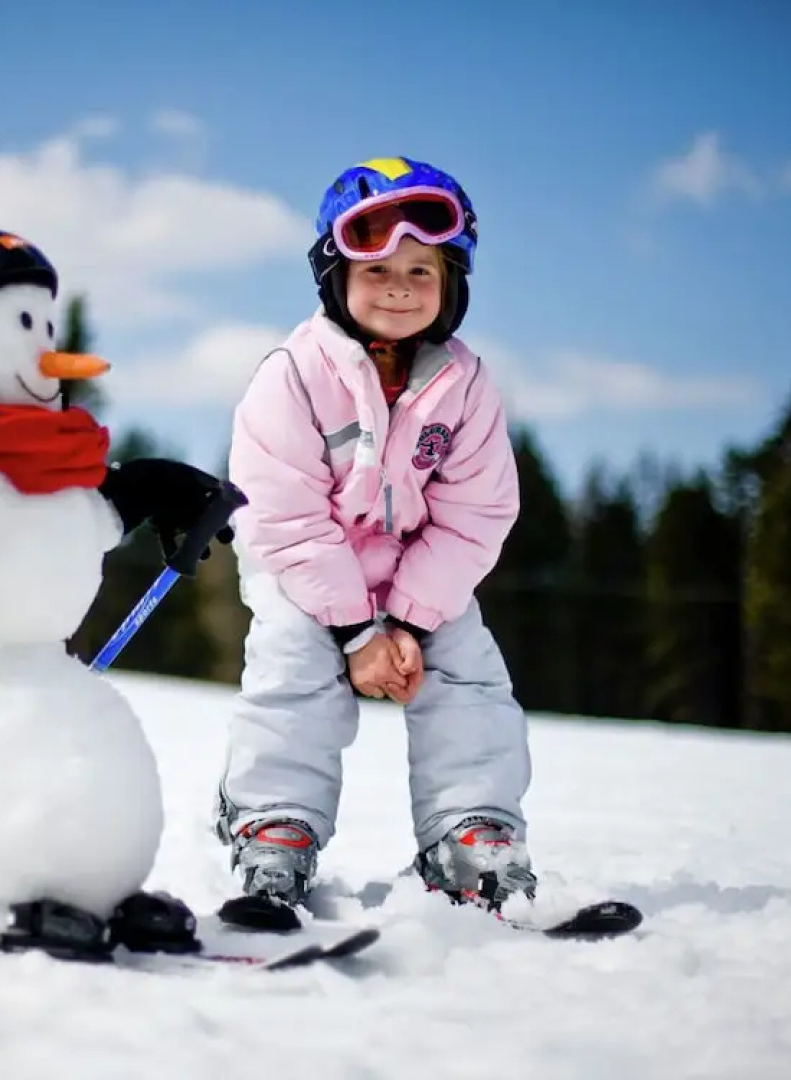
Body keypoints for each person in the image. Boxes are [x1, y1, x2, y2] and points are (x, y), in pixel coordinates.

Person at [214, 156, 537, 914]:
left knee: (468, 675)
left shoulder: (467, 388)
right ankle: (275, 828)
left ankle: (473, 833)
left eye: (422, 271)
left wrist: (414, 619)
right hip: (308, 577)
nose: (400, 287)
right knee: (292, 667)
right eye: (379, 268)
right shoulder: (291, 376)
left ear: (453, 284)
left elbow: (476, 514)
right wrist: (358, 631)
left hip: (417, 579)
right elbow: (285, 517)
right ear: (334, 275)